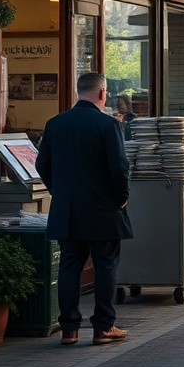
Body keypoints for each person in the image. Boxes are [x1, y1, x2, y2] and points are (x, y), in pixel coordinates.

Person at [36, 72, 132, 346]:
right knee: (105, 265)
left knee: (69, 264)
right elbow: (119, 168)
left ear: (79, 91)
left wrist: (60, 191)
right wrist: (121, 197)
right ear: (102, 93)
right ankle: (103, 327)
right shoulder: (107, 125)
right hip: (103, 208)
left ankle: (69, 329)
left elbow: (42, 164)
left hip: (67, 208)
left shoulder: (55, 124)